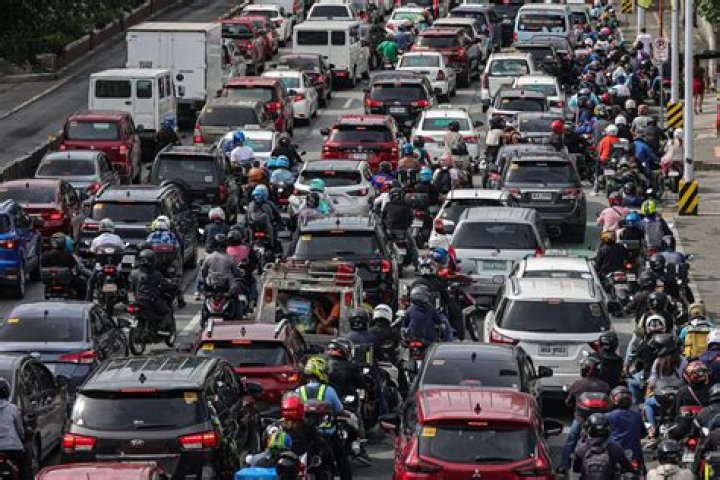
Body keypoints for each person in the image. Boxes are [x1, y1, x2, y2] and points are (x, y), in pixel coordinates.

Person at [296, 356, 352, 480]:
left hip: (304, 434)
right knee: (341, 458)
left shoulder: (298, 391)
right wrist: (347, 415)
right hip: (326, 433)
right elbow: (339, 410)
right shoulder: (329, 390)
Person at [558, 356, 611, 473]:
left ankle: (563, 466)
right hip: (601, 421)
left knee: (571, 440)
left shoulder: (578, 384)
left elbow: (568, 402)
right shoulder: (605, 386)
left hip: (581, 419)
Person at [643, 334, 687, 440]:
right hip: (678, 398)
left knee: (647, 404)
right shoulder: (683, 361)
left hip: (660, 398)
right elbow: (686, 378)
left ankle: (652, 431)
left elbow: (652, 381)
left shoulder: (657, 362)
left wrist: (647, 394)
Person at [573, 413, 634, 480]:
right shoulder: (615, 448)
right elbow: (628, 467)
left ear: (588, 430)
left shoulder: (581, 449)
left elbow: (576, 469)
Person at [129, 249, 176, 335]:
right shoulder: (156, 274)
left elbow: (131, 286)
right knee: (168, 311)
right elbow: (165, 285)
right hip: (152, 301)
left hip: (137, 300)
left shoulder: (133, 273)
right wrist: (172, 286)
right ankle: (161, 328)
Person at [200, 234, 245, 319]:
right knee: (238, 293)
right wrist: (240, 273)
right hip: (226, 287)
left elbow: (203, 271)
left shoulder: (209, 257)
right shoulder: (230, 258)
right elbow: (236, 272)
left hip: (211, 286)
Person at [146, 216, 185, 308]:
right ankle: (180, 299)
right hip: (170, 263)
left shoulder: (152, 236)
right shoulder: (171, 235)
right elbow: (177, 247)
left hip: (156, 264)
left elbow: (147, 246)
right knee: (178, 276)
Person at [41, 232, 90, 299]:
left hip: (50, 283)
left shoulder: (46, 255)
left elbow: (42, 264)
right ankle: (81, 302)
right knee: (82, 283)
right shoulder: (68, 256)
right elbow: (76, 268)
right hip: (68, 283)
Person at [606, 386, 646, 467]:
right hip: (635, 454)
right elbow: (643, 434)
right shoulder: (637, 415)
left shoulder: (609, 416)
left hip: (616, 453)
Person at [381, 187, 418, 269]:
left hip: (391, 231)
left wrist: (384, 227)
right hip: (402, 231)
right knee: (413, 247)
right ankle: (417, 266)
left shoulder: (388, 205)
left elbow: (382, 218)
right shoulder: (406, 205)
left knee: (383, 245)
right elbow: (411, 218)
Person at [0, 379, 25, 480]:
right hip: (13, 449)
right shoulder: (13, 408)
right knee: (23, 470)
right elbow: (20, 429)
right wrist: (22, 437)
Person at [246, 184, 283, 253]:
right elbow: (277, 216)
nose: (258, 198)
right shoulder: (269, 204)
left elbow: (247, 218)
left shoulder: (251, 204)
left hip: (258, 229)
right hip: (261, 229)